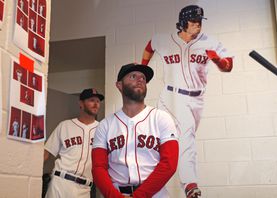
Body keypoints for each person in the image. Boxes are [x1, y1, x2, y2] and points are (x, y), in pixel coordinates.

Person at [141, 5, 233, 198]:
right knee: (186, 136)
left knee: (174, 140)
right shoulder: (164, 39)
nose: (198, 26)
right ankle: (190, 184)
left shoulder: (209, 42)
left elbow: (228, 66)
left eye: (200, 22)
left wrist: (216, 60)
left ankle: (152, 180)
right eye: (193, 22)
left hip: (196, 99)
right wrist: (142, 68)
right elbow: (150, 45)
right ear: (183, 23)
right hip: (171, 96)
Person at [92, 63, 179, 198]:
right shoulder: (105, 125)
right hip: (116, 193)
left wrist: (139, 196)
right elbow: (98, 168)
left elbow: (169, 164)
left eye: (143, 78)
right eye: (133, 76)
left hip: (154, 194)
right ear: (119, 85)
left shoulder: (161, 118)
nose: (140, 80)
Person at [44, 88, 104, 198]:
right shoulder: (65, 125)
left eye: (98, 101)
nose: (95, 104)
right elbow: (46, 153)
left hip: (85, 188)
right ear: (81, 103)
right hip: (61, 182)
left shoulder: (103, 129)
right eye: (91, 100)